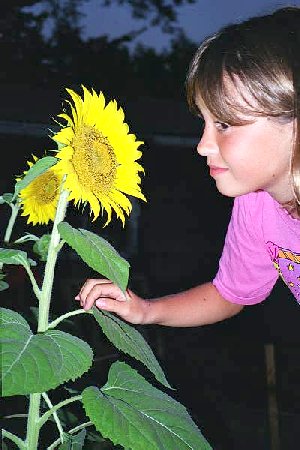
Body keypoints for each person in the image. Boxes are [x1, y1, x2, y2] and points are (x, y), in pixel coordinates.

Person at [75, 6, 300, 328]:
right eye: (205, 122)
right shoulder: (256, 204)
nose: (203, 145)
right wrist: (147, 310)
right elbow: (229, 294)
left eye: (223, 124)